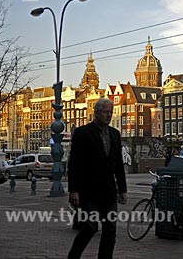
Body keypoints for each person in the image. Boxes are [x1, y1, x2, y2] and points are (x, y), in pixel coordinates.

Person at [67, 98, 128, 259]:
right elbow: (74, 164)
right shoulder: (82, 133)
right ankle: (73, 256)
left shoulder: (115, 134)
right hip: (89, 191)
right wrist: (73, 190)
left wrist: (123, 189)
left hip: (108, 191)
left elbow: (118, 164)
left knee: (110, 229)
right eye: (105, 112)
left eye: (110, 112)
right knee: (90, 226)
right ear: (96, 113)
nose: (109, 115)